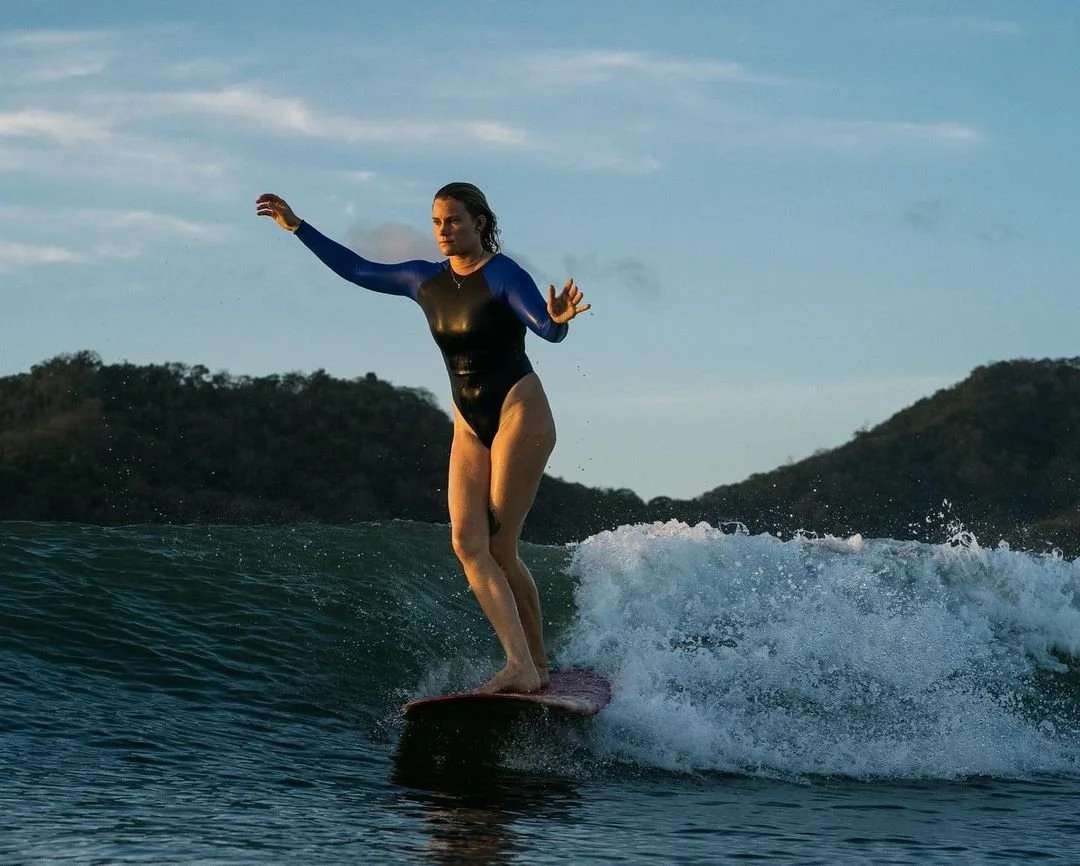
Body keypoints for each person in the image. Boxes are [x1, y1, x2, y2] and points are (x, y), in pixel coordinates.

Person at [256, 183, 590, 694]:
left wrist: (560, 321)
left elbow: (546, 327)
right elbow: (358, 269)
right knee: (466, 542)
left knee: (501, 544)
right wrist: (298, 227)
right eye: (437, 222)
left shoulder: (502, 273)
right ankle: (523, 665)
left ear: (479, 223)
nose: (443, 231)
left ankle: (534, 666)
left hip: (519, 410)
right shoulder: (423, 279)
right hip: (467, 424)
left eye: (454, 221)